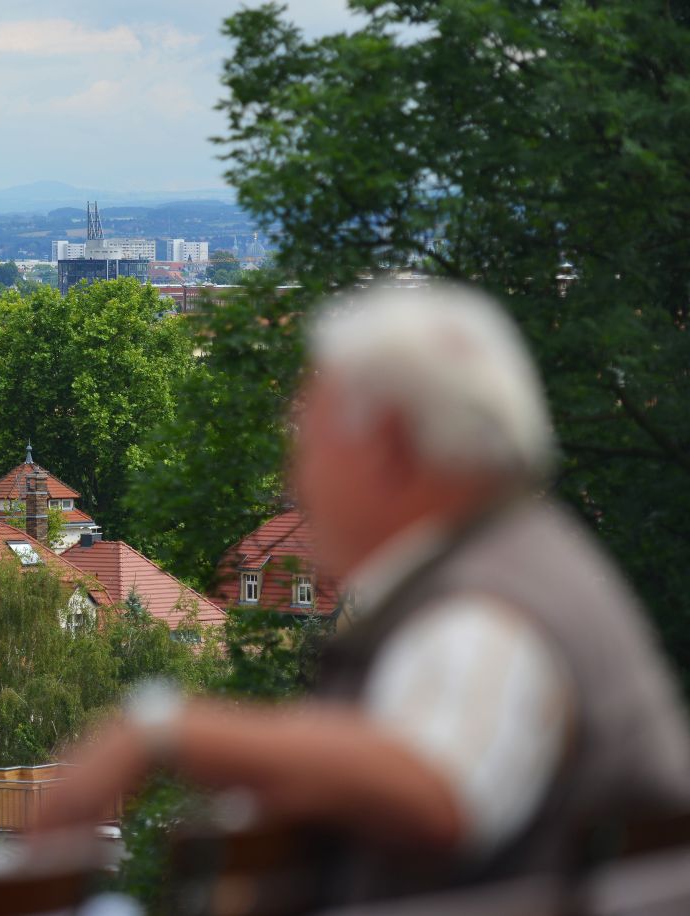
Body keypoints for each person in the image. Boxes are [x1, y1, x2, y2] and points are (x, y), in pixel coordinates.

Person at [39, 283, 690, 903]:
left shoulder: (487, 605)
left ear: (390, 446)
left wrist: (164, 731)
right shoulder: (531, 560)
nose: (297, 478)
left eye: (312, 443)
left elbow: (440, 788)